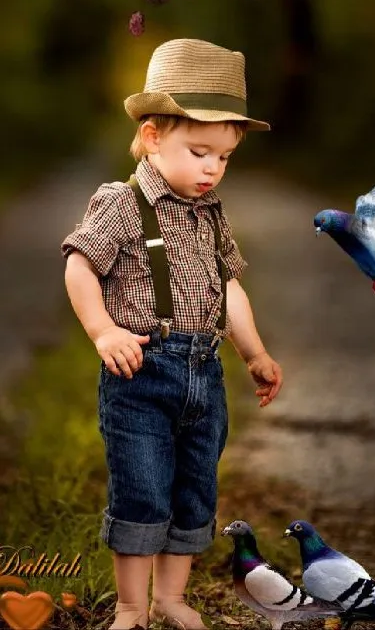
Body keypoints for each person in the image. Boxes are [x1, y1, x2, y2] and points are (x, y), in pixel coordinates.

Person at [61, 38, 283, 630]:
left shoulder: (212, 214)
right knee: (142, 489)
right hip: (140, 373)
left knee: (192, 493)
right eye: (200, 151)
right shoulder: (123, 202)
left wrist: (254, 351)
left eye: (225, 157)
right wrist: (102, 329)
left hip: (203, 375)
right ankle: (132, 605)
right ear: (154, 136)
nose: (212, 168)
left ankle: (170, 597)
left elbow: (228, 288)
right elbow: (80, 264)